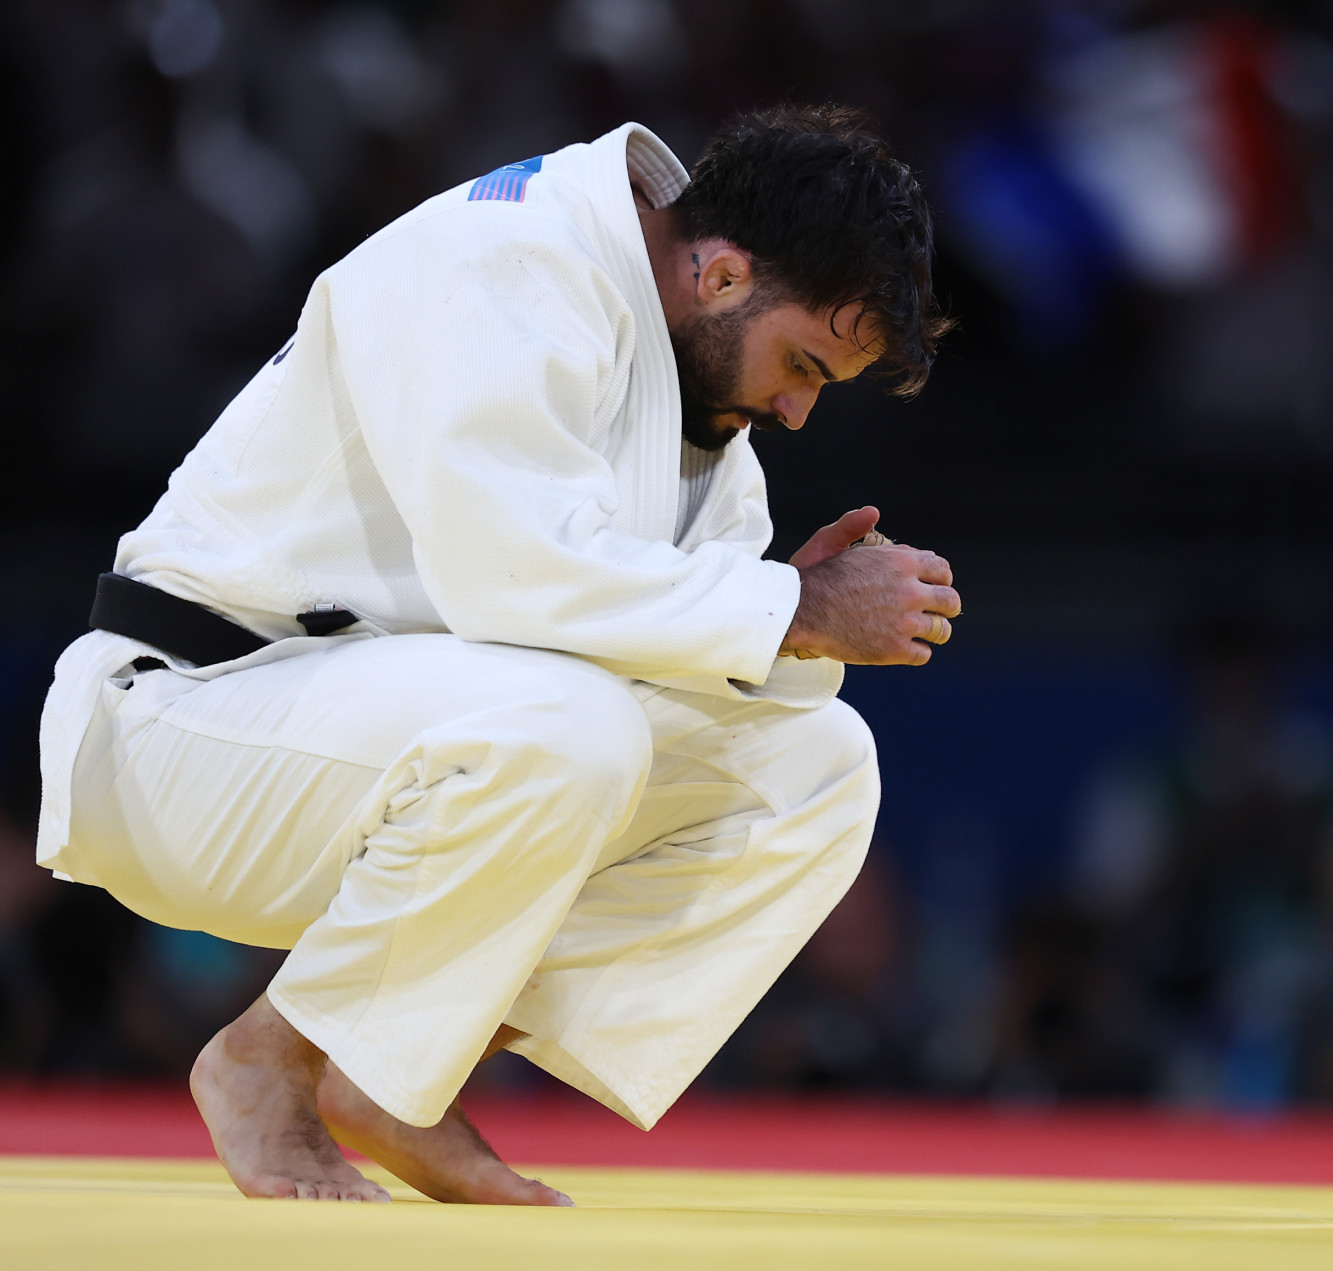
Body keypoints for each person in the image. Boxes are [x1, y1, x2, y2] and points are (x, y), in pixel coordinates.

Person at [34, 106, 958, 1205]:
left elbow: (668, 637)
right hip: (190, 716)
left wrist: (787, 615)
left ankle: (396, 1068)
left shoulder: (688, 377)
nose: (799, 410)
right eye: (803, 363)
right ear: (721, 275)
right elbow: (516, 581)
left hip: (374, 750)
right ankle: (273, 1056)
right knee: (570, 726)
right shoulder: (515, 259)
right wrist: (791, 602)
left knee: (813, 763)